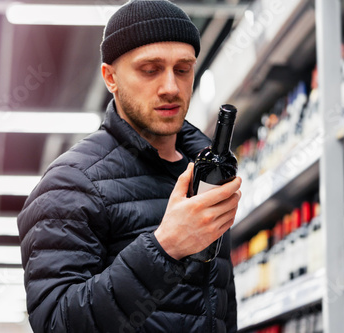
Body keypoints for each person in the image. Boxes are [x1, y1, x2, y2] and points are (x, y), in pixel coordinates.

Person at [17, 0, 242, 332]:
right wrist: (164, 248)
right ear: (110, 78)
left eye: (183, 69)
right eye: (150, 69)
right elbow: (55, 323)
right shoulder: (71, 183)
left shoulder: (203, 175)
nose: (170, 87)